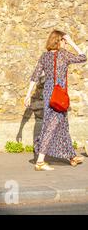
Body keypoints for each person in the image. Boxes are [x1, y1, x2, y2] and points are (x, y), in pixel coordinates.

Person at [24, 30, 86, 171]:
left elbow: (35, 76)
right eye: (64, 41)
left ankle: (71, 156)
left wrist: (28, 94)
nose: (65, 43)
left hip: (48, 95)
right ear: (59, 41)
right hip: (59, 95)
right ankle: (40, 161)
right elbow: (83, 57)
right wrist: (72, 43)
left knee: (62, 124)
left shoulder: (44, 56)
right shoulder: (64, 55)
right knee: (51, 126)